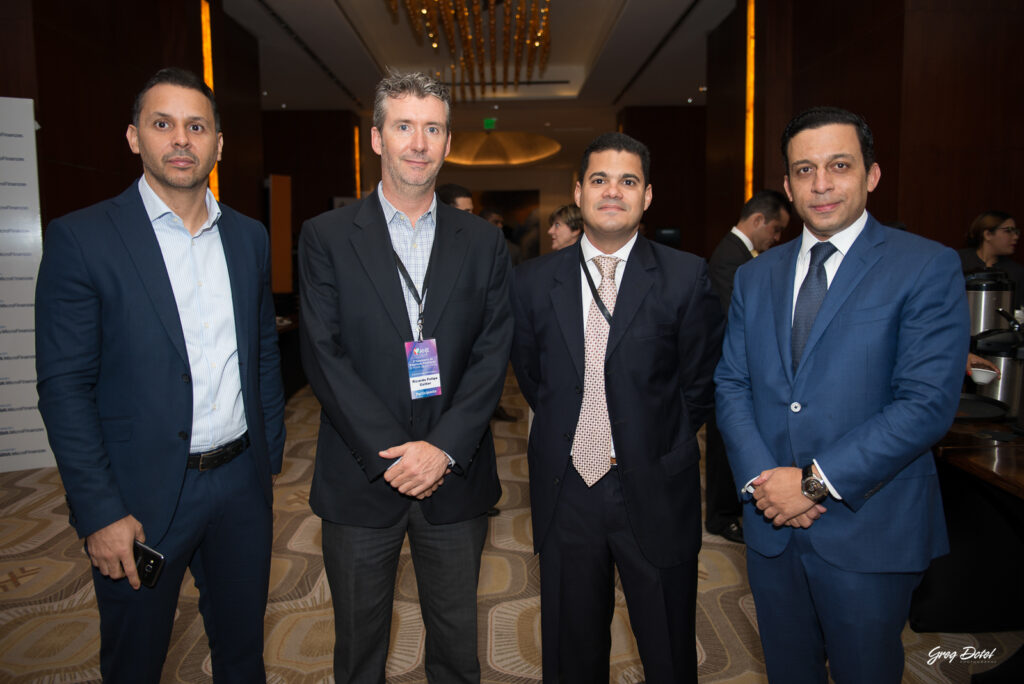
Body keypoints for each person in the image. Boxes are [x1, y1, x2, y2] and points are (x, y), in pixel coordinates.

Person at [35, 67, 286, 683]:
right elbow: (63, 388)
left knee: (241, 654)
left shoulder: (248, 239)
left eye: (196, 126)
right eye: (162, 124)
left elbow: (260, 351)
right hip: (139, 505)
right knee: (136, 658)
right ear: (133, 137)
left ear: (217, 144)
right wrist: (98, 512)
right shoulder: (83, 239)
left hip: (239, 489)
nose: (181, 139)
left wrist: (267, 455)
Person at [714, 106, 969, 683]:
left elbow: (925, 404)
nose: (821, 184)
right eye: (804, 170)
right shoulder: (758, 276)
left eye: (839, 165)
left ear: (871, 175)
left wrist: (808, 483)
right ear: (787, 185)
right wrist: (763, 482)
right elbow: (732, 382)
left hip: (870, 527)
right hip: (772, 524)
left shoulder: (925, 265)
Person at [298, 70, 512, 683]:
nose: (418, 143)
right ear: (376, 138)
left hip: (456, 479)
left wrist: (441, 449)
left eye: (433, 128)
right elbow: (323, 355)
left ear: (447, 142)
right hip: (362, 479)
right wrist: (396, 454)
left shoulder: (483, 243)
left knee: (456, 649)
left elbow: (492, 354)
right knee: (358, 652)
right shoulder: (326, 237)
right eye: (403, 127)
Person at [510, 132, 724, 683]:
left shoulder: (684, 275)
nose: (613, 192)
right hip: (567, 490)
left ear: (647, 196)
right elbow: (535, 379)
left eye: (627, 181)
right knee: (571, 649)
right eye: (599, 180)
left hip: (655, 485)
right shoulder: (533, 281)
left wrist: (655, 439)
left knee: (668, 648)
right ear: (578, 192)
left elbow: (699, 384)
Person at [704, 190, 790, 544]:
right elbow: (734, 319)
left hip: (735, 366)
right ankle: (721, 516)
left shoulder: (741, 254)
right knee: (724, 447)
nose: (776, 239)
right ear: (757, 221)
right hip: (726, 369)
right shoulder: (730, 257)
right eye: (775, 229)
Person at [958, 210, 1024, 309]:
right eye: (1008, 231)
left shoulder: (1016, 272)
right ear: (987, 234)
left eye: (1016, 232)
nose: (1015, 237)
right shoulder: (958, 261)